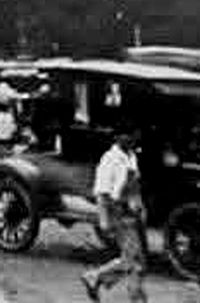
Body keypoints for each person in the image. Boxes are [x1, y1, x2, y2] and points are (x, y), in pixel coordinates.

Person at [81, 126, 147, 303]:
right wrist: (104, 219)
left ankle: (96, 277)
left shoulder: (131, 157)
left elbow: (134, 186)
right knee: (135, 260)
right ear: (118, 137)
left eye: (133, 135)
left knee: (134, 259)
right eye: (128, 135)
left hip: (130, 212)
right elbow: (102, 191)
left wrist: (140, 207)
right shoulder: (110, 158)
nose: (132, 139)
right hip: (116, 210)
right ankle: (136, 297)